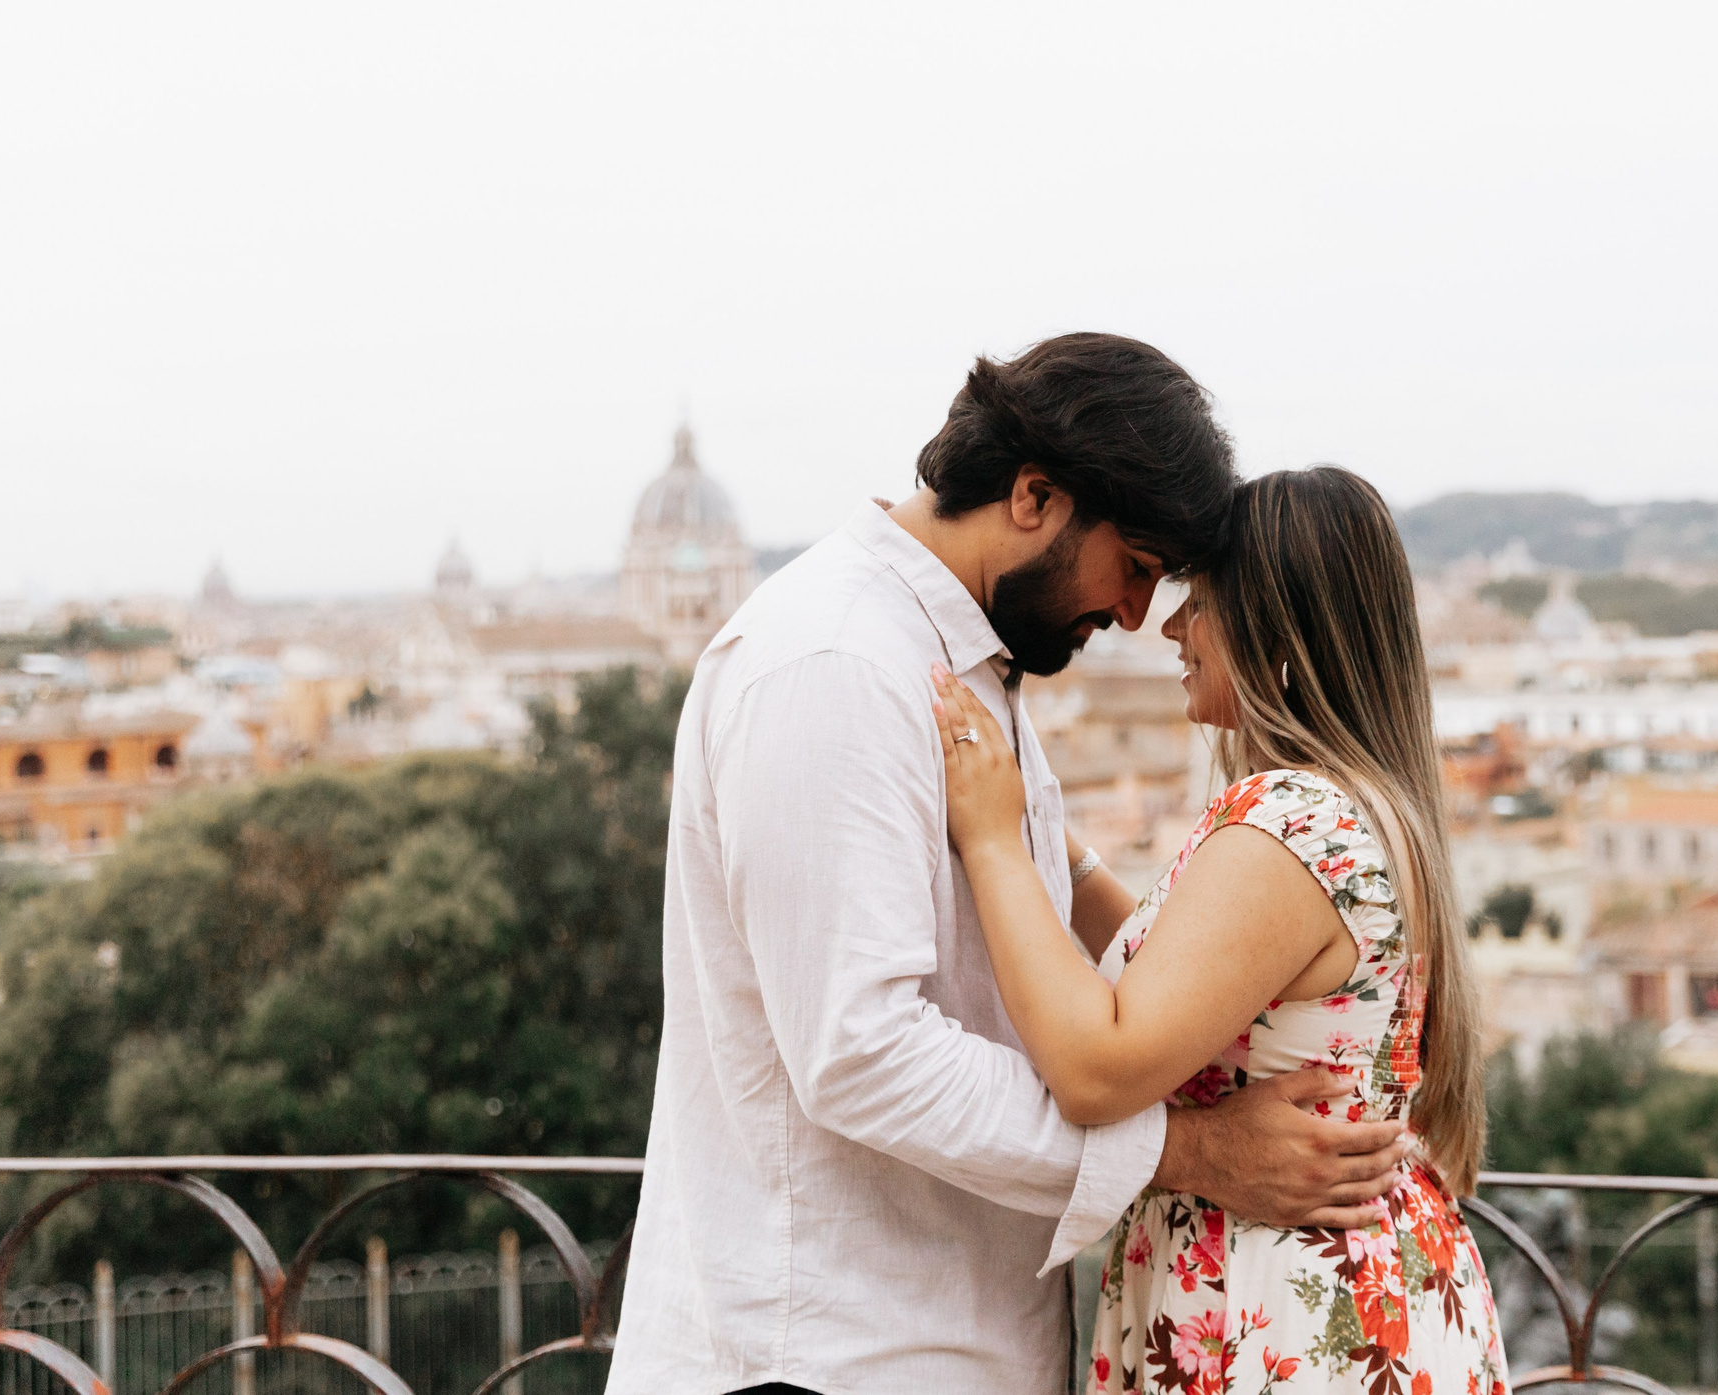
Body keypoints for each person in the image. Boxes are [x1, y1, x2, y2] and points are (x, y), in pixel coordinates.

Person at [612, 337, 1416, 1395]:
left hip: (923, 1339)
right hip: (830, 1352)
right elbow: (861, 1051)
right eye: (1132, 567)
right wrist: (1190, 1152)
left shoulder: (958, 659)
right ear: (1035, 496)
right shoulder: (836, 665)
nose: (1137, 616)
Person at [931, 466, 1510, 1395]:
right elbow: (1197, 993)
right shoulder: (1359, 808)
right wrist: (1056, 845)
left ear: (1277, 637)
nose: (1170, 627)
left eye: (1199, 601)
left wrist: (996, 842)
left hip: (1275, 1310)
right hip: (1350, 1299)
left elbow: (1096, 1067)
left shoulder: (1291, 821)